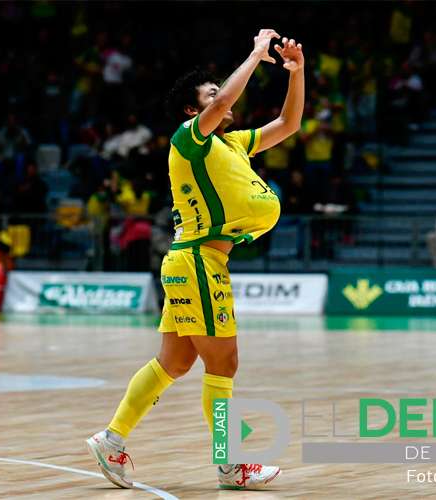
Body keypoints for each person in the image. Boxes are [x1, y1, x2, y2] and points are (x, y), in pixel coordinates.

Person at [86, 29, 304, 491]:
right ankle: (229, 465)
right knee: (224, 364)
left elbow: (288, 124)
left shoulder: (233, 144)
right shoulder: (189, 138)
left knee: (174, 361)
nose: (221, 98)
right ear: (193, 110)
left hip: (192, 261)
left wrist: (296, 72)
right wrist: (255, 54)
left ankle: (111, 439)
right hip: (199, 261)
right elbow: (223, 102)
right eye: (209, 94)